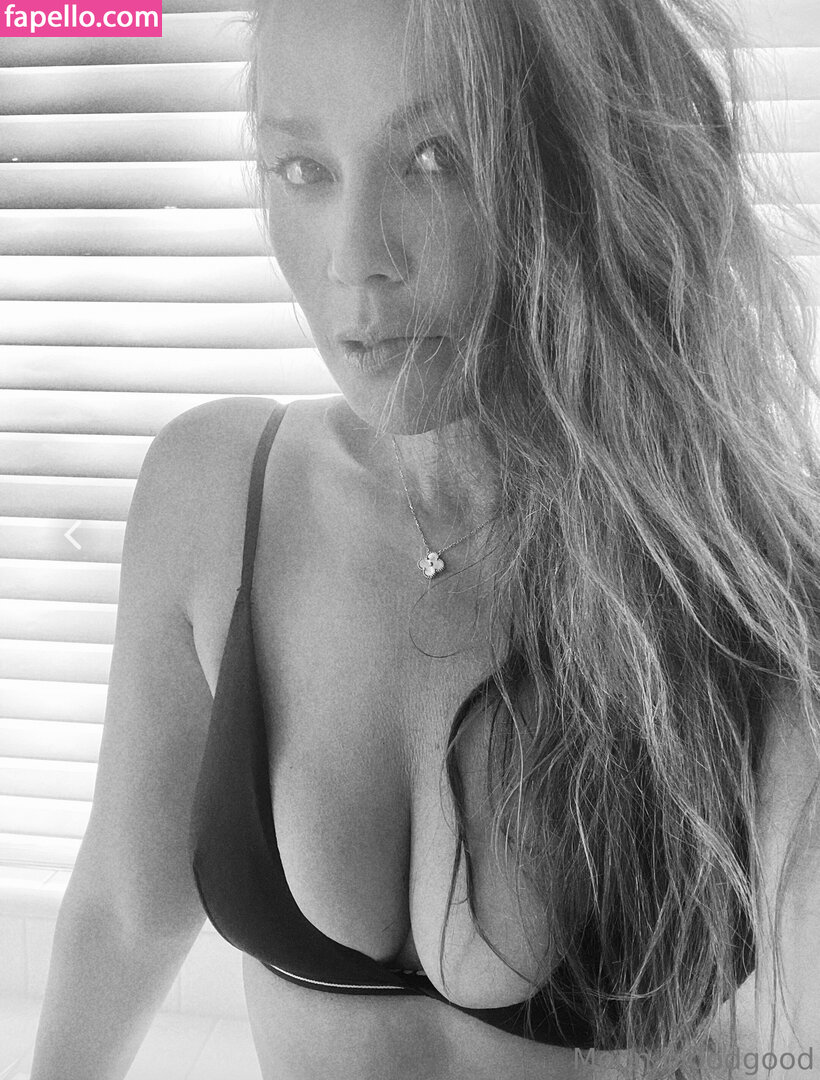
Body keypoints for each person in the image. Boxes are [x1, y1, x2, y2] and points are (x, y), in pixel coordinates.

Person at [30, 0, 820, 1077]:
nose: (355, 260)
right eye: (303, 169)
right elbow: (126, 912)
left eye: (437, 160)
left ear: (588, 171)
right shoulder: (213, 495)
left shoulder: (742, 587)